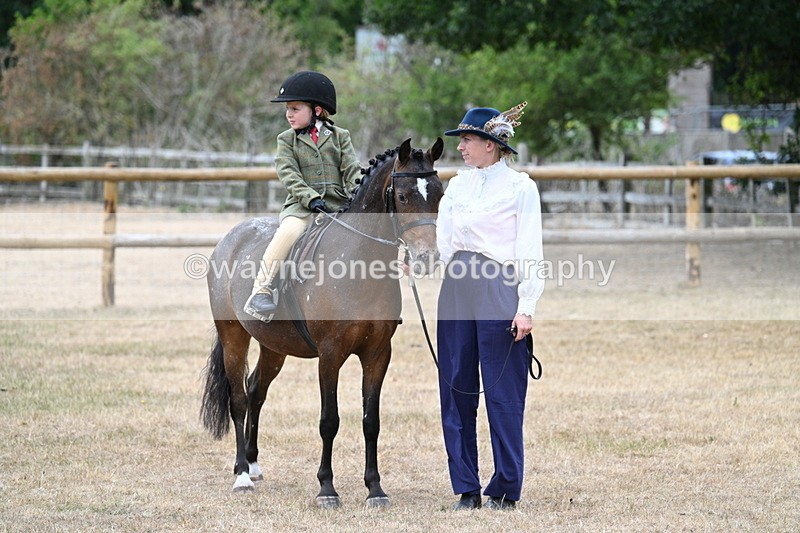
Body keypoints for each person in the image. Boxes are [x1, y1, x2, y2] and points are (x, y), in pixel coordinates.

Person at [436, 102, 544, 510]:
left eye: (466, 140)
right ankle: (465, 485)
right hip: (456, 287)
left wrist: (527, 305)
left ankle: (505, 485)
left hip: (499, 285)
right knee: (456, 384)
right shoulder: (458, 186)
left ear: (490, 145)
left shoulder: (520, 188)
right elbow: (445, 243)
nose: (460, 147)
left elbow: (530, 248)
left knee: (502, 390)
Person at [245, 70, 361, 321]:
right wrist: (310, 198)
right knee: (288, 233)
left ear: (317, 111)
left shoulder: (341, 137)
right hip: (302, 208)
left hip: (337, 207)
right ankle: (261, 289)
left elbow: (351, 170)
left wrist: (358, 192)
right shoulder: (286, 140)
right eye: (288, 109)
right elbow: (289, 174)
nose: (289, 114)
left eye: (295, 108)